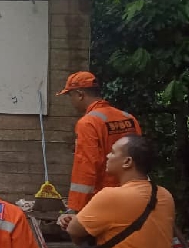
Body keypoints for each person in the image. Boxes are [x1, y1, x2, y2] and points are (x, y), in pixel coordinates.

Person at [56, 71, 141, 214]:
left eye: (70, 96)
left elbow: (86, 166)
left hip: (105, 201)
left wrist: (76, 208)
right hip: (134, 196)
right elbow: (141, 156)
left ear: (80, 94)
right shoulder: (129, 118)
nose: (71, 101)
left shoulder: (88, 123)